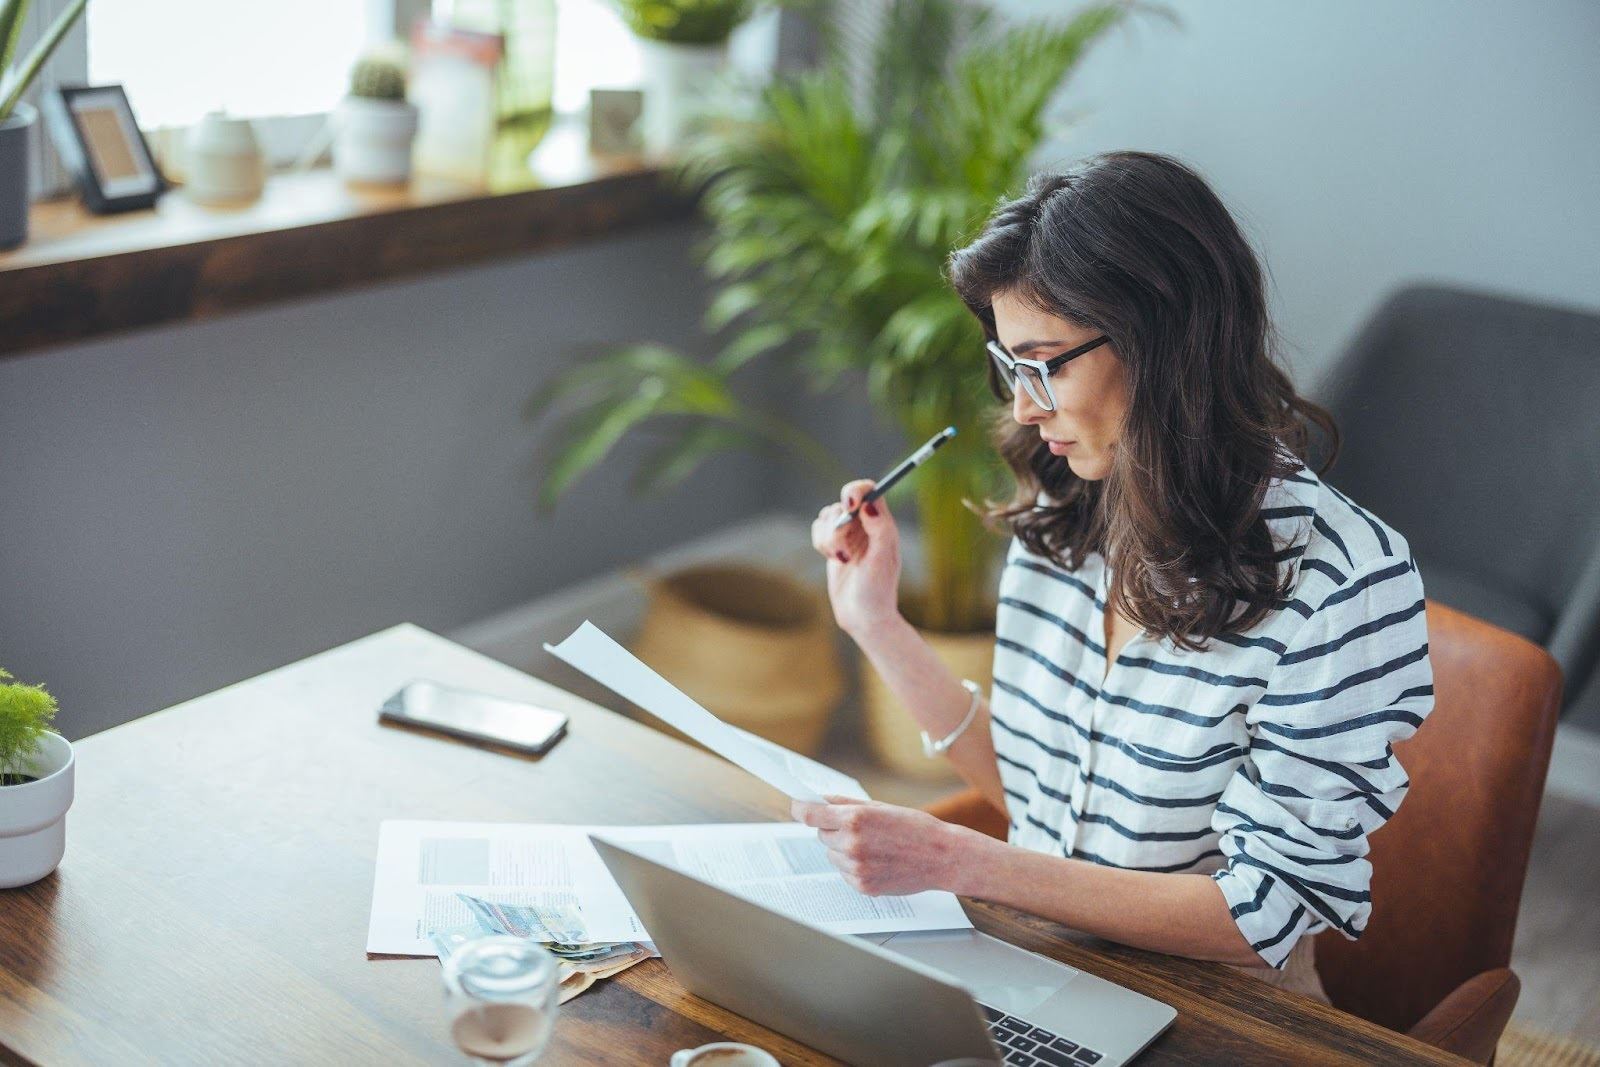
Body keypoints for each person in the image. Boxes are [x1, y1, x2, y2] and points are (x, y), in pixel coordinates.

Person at [800, 152, 1433, 1002]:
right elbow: (1040, 794)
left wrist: (966, 862)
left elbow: (1264, 911)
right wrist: (874, 620)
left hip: (1219, 1010)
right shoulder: (1068, 509)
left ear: (1165, 341)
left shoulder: (1345, 583)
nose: (1023, 406)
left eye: (1045, 363)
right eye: (1009, 366)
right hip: (1047, 965)